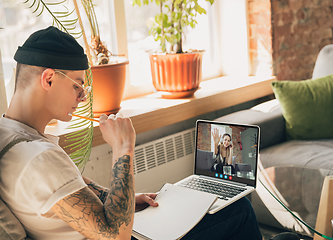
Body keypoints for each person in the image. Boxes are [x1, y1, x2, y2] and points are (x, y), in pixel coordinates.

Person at [0, 26, 299, 240]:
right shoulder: (38, 159)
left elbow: (75, 188)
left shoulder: (12, 135)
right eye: (78, 86)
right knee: (239, 211)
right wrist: (123, 149)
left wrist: (127, 198)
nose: (82, 97)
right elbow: (116, 234)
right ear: (49, 79)